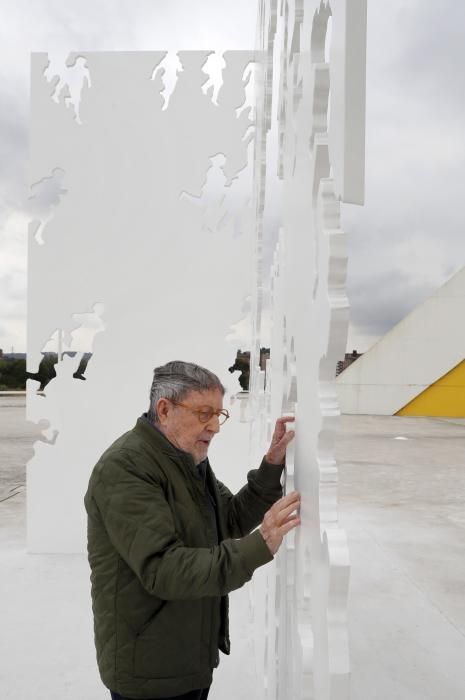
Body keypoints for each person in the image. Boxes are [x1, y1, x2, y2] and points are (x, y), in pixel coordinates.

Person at [84, 360, 301, 700]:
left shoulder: (187, 459)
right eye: (204, 413)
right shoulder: (125, 467)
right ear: (165, 409)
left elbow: (228, 518)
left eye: (219, 414)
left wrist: (271, 466)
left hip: (189, 656)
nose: (215, 426)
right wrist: (259, 545)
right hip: (149, 669)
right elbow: (163, 568)